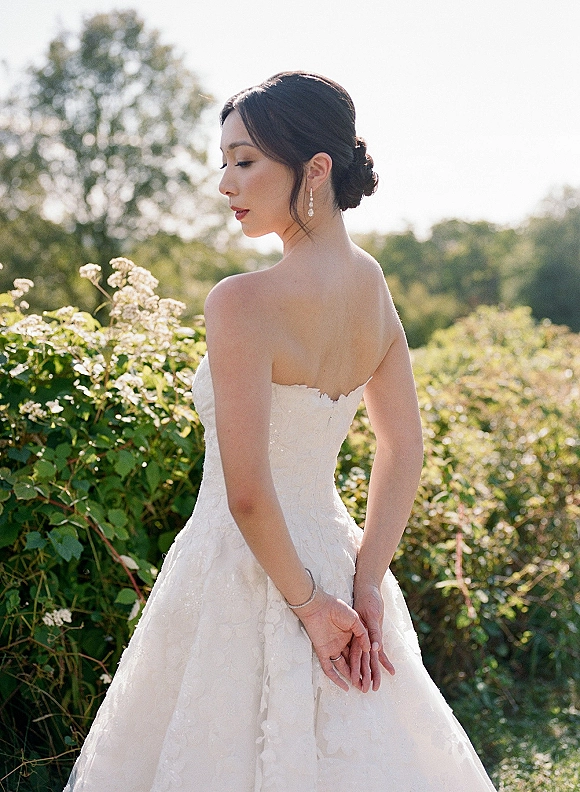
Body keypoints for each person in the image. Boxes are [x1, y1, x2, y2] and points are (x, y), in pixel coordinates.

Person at [64, 72, 497, 791]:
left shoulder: (242, 301)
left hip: (242, 566)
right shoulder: (374, 288)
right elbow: (404, 448)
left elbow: (249, 497)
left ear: (315, 169)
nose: (226, 183)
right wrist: (365, 586)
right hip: (334, 559)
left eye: (245, 160)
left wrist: (309, 609)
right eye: (225, 161)